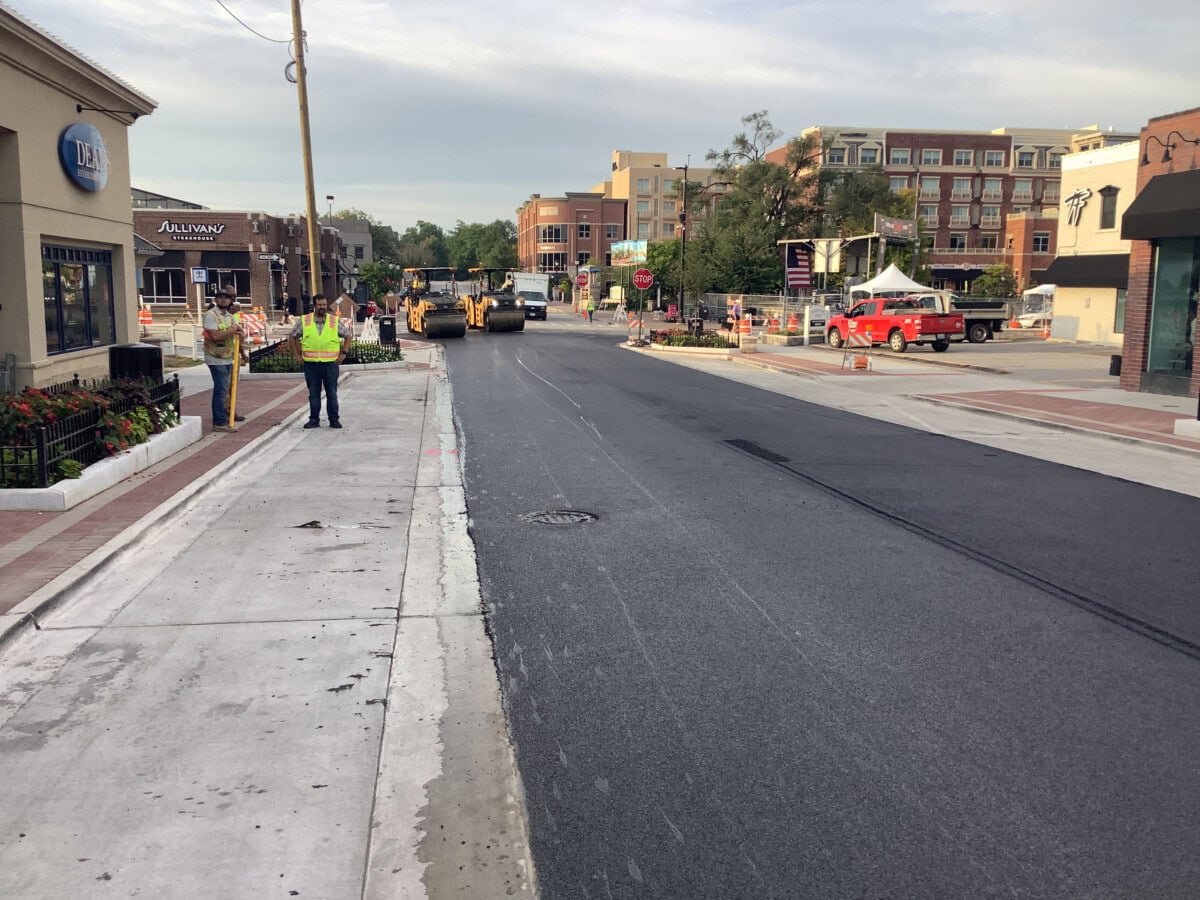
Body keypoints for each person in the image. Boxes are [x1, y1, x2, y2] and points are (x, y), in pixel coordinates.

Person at [288, 293, 352, 429]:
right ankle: (314, 420)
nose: (323, 307)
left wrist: (343, 353)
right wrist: (297, 356)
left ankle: (334, 420)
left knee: (332, 394)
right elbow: (292, 337)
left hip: (330, 364)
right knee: (314, 394)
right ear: (314, 306)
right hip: (311, 364)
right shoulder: (305, 321)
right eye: (320, 305)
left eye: (324, 305)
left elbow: (348, 335)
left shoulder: (333, 321)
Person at [202, 286, 244, 433]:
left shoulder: (229, 316)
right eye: (220, 297)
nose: (223, 299)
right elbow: (215, 336)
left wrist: (240, 333)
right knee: (221, 390)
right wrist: (233, 331)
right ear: (216, 299)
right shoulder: (211, 315)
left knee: (225, 389)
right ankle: (219, 422)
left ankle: (225, 417)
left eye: (226, 297)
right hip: (215, 357)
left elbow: (239, 331)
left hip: (227, 357)